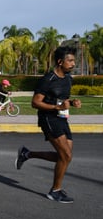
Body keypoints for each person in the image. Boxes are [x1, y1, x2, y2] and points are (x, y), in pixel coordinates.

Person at [15, 46, 81, 204]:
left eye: (74, 60)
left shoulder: (68, 78)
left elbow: (61, 100)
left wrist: (71, 102)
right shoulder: (47, 79)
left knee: (63, 157)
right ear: (60, 61)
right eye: (70, 60)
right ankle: (55, 191)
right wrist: (57, 107)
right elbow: (35, 102)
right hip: (48, 119)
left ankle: (27, 154)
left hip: (61, 118)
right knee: (66, 156)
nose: (73, 64)